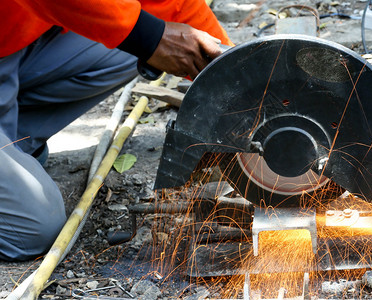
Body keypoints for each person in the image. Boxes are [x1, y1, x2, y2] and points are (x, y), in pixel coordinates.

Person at [0, 0, 233, 261]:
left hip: (12, 43)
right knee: (33, 228)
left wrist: (238, 81)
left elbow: (170, 6)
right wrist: (151, 36)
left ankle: (11, 146)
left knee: (129, 46)